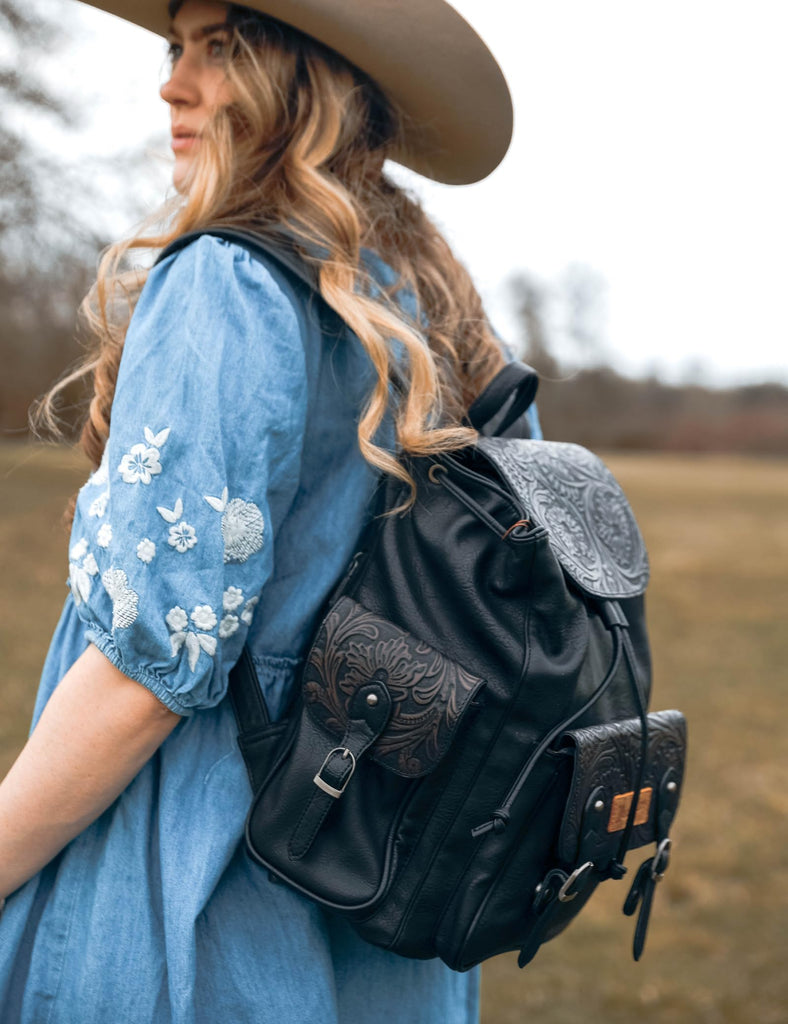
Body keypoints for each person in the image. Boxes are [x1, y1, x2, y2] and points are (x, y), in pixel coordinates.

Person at [0, 1, 540, 1021]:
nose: (173, 83)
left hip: (206, 887)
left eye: (222, 48)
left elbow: (143, 682)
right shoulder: (435, 306)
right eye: (177, 45)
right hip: (384, 884)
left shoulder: (225, 279)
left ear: (309, 79)